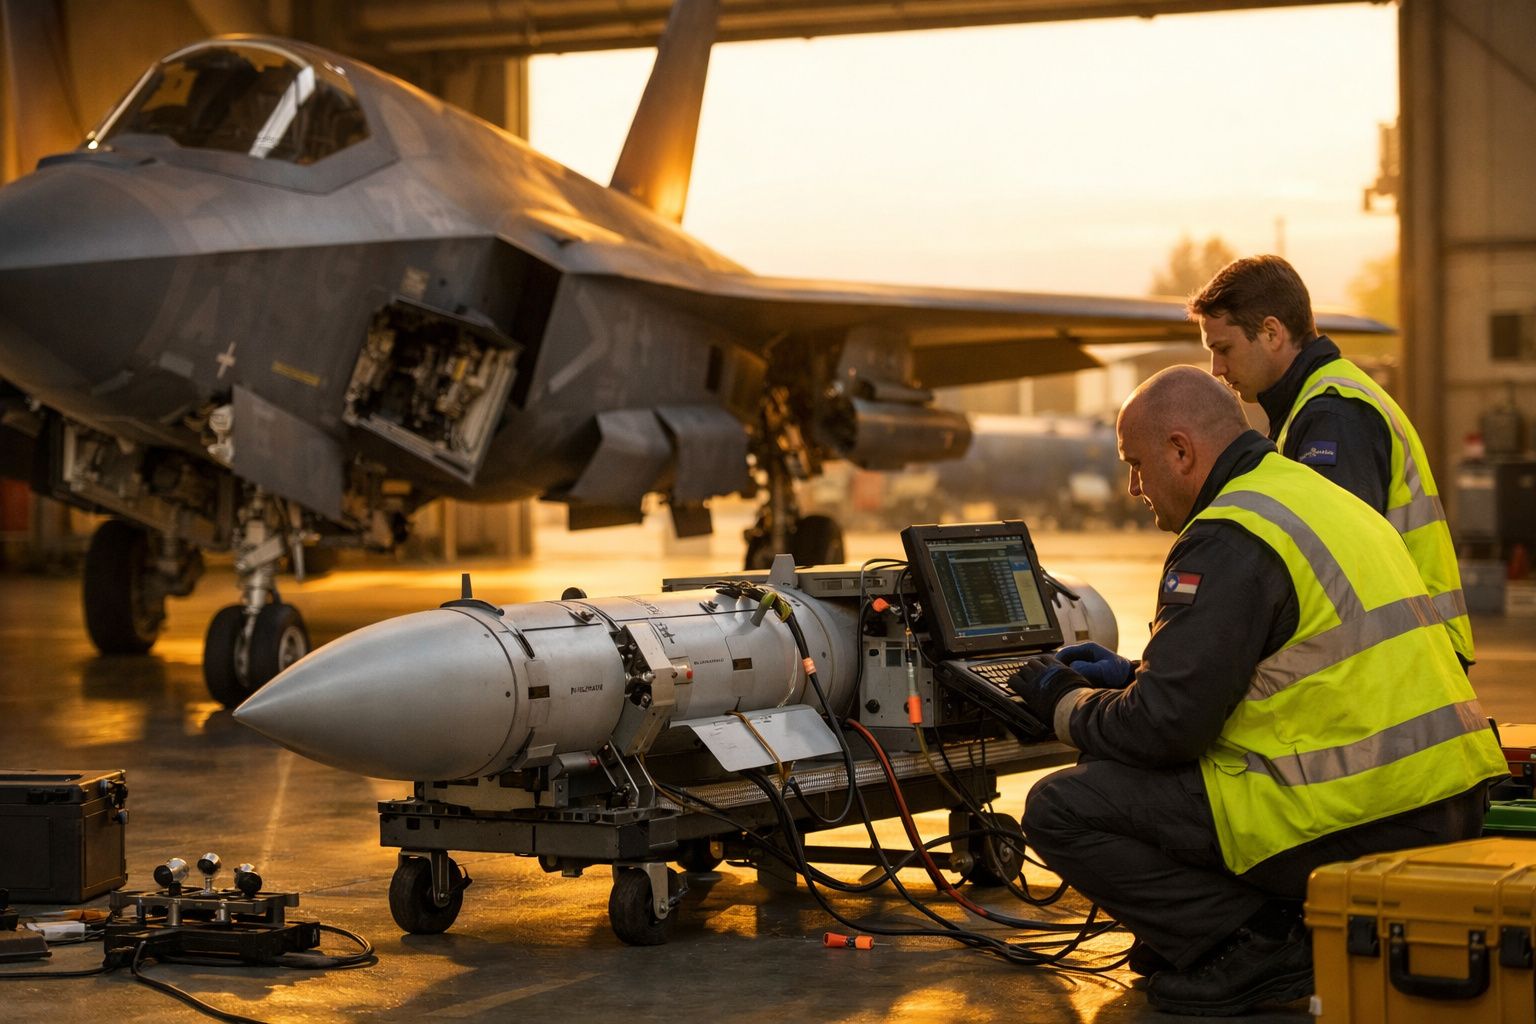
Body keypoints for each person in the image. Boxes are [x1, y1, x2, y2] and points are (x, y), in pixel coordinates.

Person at [1009, 366, 1506, 1016]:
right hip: (1447, 799)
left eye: (1136, 464)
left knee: (1061, 807)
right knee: (1136, 764)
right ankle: (1229, 932)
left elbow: (1168, 729)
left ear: (1181, 451)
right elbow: (1283, 667)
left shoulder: (1227, 536)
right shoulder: (1308, 496)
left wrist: (1064, 703)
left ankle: (1257, 947)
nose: (1134, 487)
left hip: (1368, 821)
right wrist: (1133, 676)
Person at [1186, 254, 1473, 666]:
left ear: (1271, 332)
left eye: (1223, 348)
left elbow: (1328, 566)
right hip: (1411, 641)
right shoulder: (1315, 404)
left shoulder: (1332, 415)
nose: (1217, 368)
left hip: (1410, 650)